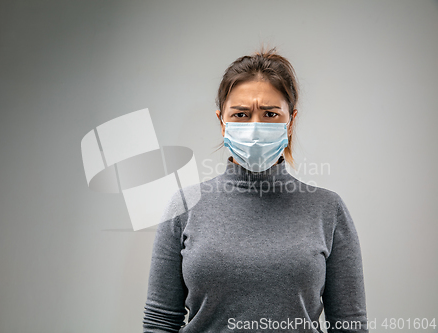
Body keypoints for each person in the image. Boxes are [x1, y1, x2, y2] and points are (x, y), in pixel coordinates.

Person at [142, 47, 368, 333]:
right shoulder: (184, 206)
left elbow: (350, 324)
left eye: (270, 114)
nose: (255, 127)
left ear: (291, 121)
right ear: (221, 122)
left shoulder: (328, 209)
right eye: (241, 114)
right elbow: (160, 321)